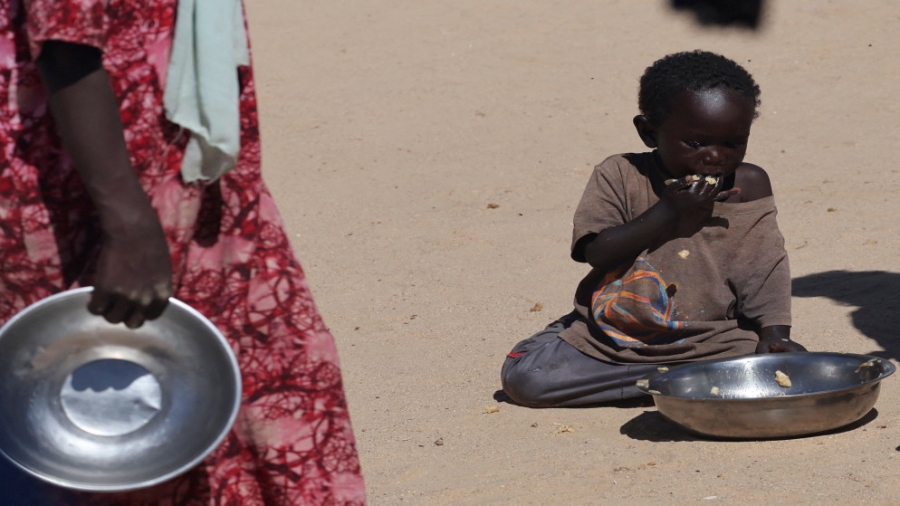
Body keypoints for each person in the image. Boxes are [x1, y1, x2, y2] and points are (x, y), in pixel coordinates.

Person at [0, 0, 365, 504]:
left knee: (275, 380)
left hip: (190, 176)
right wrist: (127, 222)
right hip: (95, 188)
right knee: (104, 427)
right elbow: (67, 43)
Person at [501, 50, 807, 408]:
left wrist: (774, 334)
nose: (715, 156)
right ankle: (675, 382)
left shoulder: (749, 185)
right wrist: (668, 211)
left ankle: (672, 380)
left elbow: (765, 268)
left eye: (734, 143)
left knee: (769, 371)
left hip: (712, 343)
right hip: (615, 339)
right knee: (526, 380)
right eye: (696, 143)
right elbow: (597, 253)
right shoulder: (621, 174)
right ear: (648, 132)